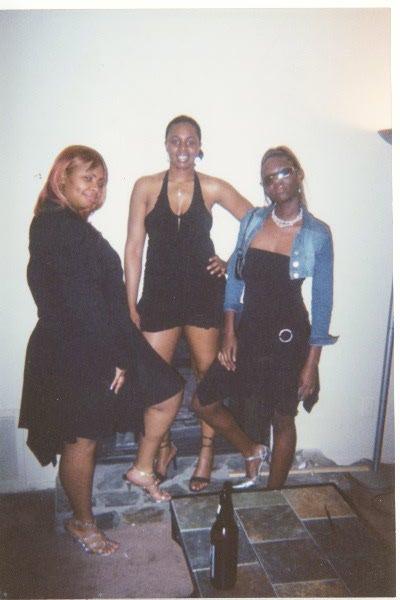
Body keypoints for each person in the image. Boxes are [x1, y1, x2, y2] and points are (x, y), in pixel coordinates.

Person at [19, 145, 183, 556]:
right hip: (77, 349)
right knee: (82, 440)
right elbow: (81, 302)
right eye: (87, 179)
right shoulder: (58, 227)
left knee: (167, 389)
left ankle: (142, 468)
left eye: (102, 182)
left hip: (98, 340)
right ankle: (82, 522)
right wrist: (117, 357)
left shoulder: (66, 225)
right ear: (61, 179)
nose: (96, 189)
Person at [192, 146, 338, 490]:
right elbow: (235, 278)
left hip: (289, 338)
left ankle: (273, 495)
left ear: (298, 174)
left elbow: (322, 303)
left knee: (282, 419)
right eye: (268, 179)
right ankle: (251, 450)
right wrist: (230, 332)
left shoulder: (317, 234)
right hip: (249, 332)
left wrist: (311, 363)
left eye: (283, 173)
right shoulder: (253, 221)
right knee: (202, 401)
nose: (277, 183)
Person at [124, 115, 252, 492]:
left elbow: (257, 222)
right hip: (159, 295)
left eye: (190, 141)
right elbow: (134, 248)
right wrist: (130, 305)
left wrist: (233, 261)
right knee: (155, 381)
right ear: (166, 145)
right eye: (176, 140)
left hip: (203, 293)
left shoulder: (211, 187)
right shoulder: (146, 186)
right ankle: (164, 447)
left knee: (205, 377)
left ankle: (206, 453)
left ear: (199, 147)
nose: (183, 147)